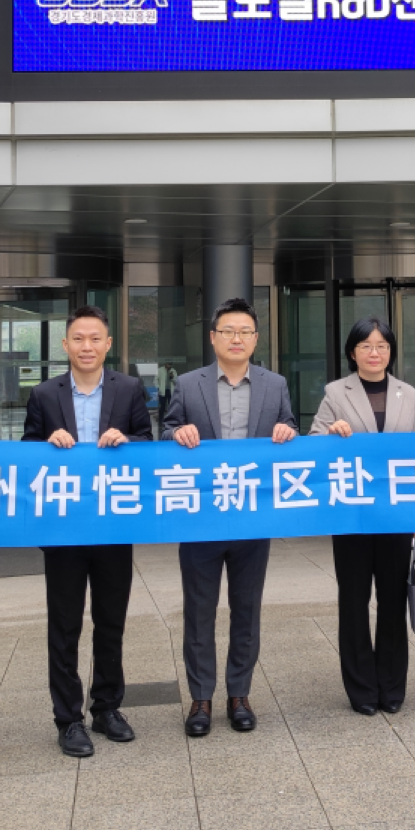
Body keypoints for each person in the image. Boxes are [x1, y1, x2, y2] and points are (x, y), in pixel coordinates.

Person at [162, 297, 298, 737]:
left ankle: (239, 694)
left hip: (253, 520)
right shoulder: (188, 384)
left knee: (247, 610)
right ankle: (200, 698)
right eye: (228, 331)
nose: (236, 338)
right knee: (199, 612)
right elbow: (166, 430)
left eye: (244, 332)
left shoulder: (275, 384)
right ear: (213, 337)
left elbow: (290, 429)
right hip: (200, 519)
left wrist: (288, 432)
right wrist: (176, 433)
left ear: (256, 340)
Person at [22, 305, 153, 758]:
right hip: (64, 528)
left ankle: (107, 708)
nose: (87, 347)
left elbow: (148, 443)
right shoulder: (44, 394)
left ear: (108, 344)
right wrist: (45, 445)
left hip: (113, 525)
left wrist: (127, 441)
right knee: (64, 625)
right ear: (65, 345)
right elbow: (25, 454)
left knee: (110, 622)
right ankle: (68, 718)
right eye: (78, 339)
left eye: (95, 339)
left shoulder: (128, 388)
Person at [310, 316, 415, 716]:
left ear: (391, 351)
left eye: (382, 346)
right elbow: (313, 443)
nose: (375, 353)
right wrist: (330, 433)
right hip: (351, 515)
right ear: (352, 352)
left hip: (395, 515)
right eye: (366, 346)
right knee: (354, 602)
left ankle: (391, 686)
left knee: (393, 601)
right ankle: (361, 689)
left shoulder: (408, 394)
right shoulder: (335, 392)